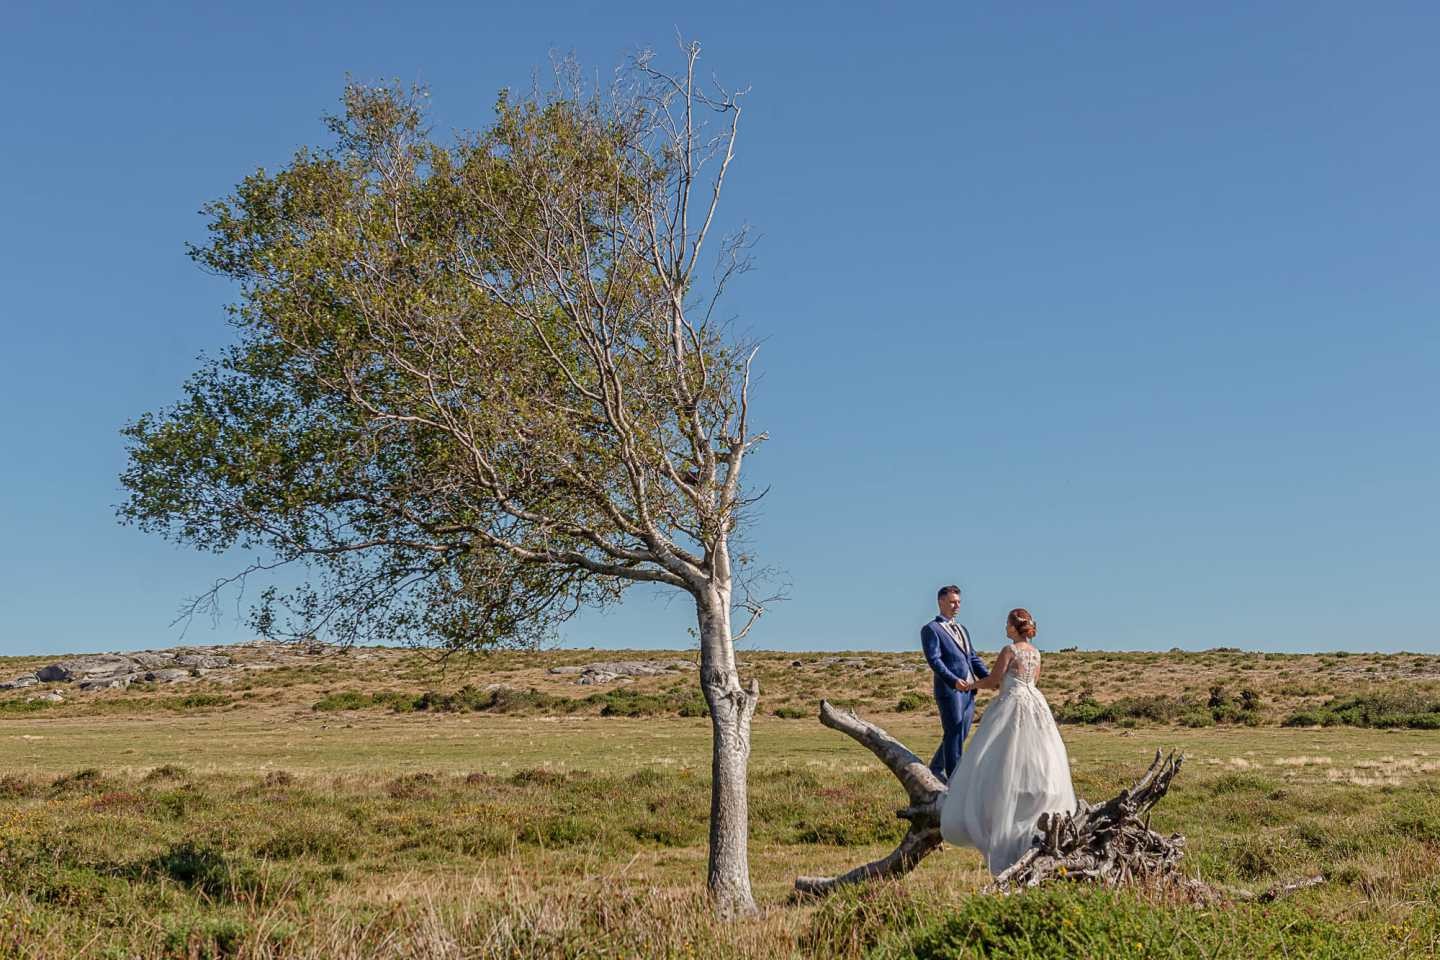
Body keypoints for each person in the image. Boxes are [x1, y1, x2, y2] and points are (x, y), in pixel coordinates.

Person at [939, 607, 1077, 875]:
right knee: (1038, 753)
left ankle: (998, 815)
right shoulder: (1036, 654)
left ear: (1014, 627)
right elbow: (1033, 681)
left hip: (1012, 702)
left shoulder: (1009, 651)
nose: (1005, 628)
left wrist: (969, 686)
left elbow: (994, 681)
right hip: (1035, 702)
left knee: (999, 754)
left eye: (1007, 624)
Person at [920, 585, 990, 783]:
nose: (956, 605)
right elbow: (934, 660)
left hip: (969, 689)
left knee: (962, 732)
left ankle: (935, 768)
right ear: (941, 602)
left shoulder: (962, 629)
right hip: (950, 690)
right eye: (952, 602)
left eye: (958, 602)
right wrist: (953, 680)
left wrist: (989, 679)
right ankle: (955, 779)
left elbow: (972, 658)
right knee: (954, 732)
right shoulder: (931, 629)